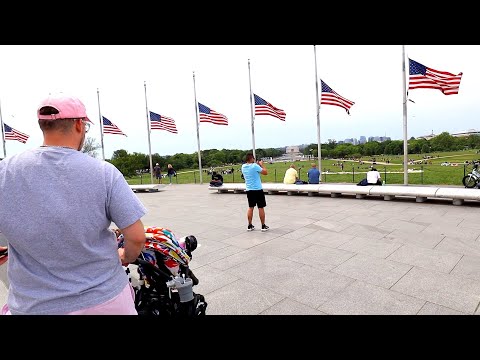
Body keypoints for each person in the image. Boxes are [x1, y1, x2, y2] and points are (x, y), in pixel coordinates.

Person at [0, 93, 147, 315]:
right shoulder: (104, 173)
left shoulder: (4, 172)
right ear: (79, 125)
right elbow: (136, 237)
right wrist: (126, 256)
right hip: (105, 300)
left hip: (34, 306)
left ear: (42, 126)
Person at [241, 153, 269, 232]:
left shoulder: (243, 166)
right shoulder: (255, 166)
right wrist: (261, 165)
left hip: (249, 190)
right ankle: (263, 225)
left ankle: (249, 225)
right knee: (261, 207)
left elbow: (251, 169)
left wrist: (256, 165)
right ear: (252, 159)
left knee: (251, 207)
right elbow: (265, 172)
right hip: (258, 189)